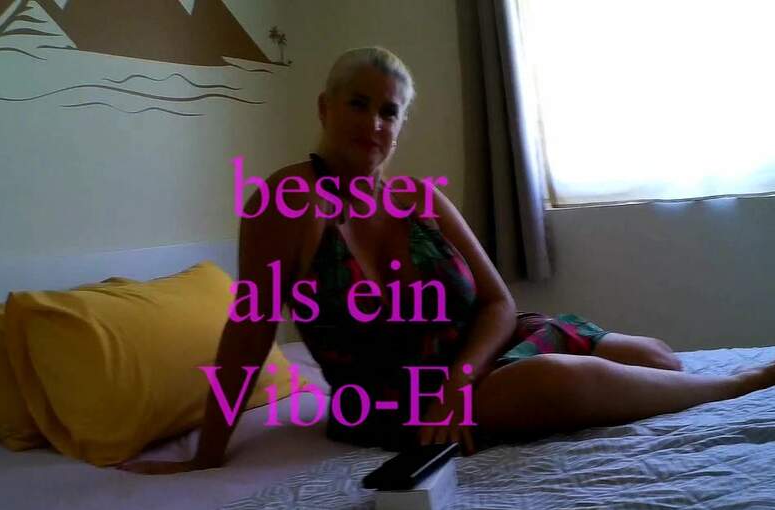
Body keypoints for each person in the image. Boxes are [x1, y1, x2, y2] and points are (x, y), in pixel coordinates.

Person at [119, 47, 775, 474]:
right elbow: (249, 332)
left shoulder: (420, 198)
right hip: (397, 399)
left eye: (390, 112)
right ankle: (736, 385)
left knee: (657, 359)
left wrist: (461, 380)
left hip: (475, 360)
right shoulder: (282, 202)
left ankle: (683, 381)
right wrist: (207, 454)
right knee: (559, 380)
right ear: (324, 107)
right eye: (358, 104)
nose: (375, 123)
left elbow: (498, 303)